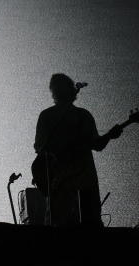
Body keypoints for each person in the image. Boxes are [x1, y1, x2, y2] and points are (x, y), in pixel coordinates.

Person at [33, 73, 122, 226]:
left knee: (74, 223)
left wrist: (109, 136)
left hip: (73, 183)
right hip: (69, 183)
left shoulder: (58, 115)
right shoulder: (72, 115)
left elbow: (39, 147)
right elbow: (98, 145)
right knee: (81, 224)